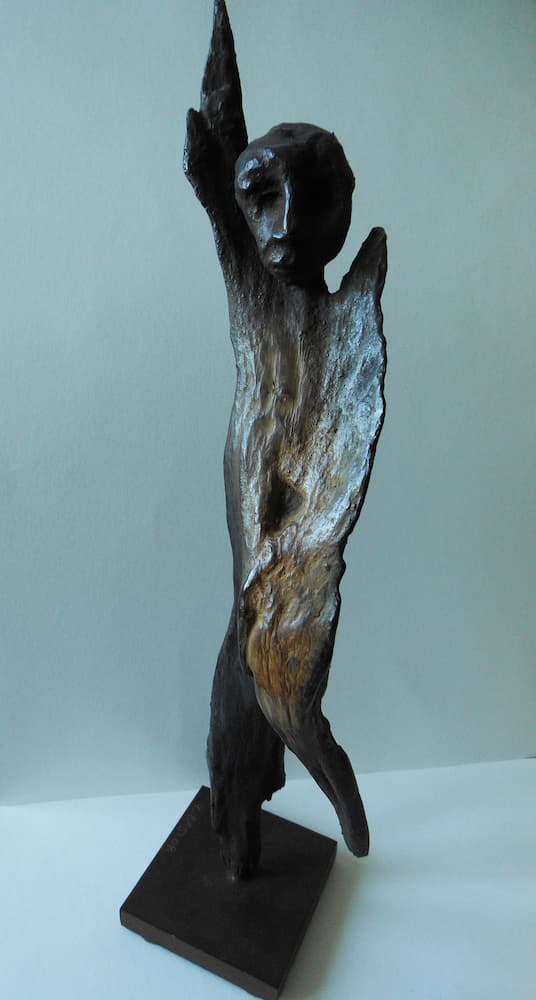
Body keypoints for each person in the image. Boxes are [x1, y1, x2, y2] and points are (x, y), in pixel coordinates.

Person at [185, 0, 387, 878]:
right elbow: (223, 169)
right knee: (246, 655)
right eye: (263, 199)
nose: (284, 226)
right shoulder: (248, 279)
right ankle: (245, 815)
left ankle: (298, 758)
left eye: (309, 201)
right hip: (252, 503)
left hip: (297, 529)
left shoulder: (346, 317)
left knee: (277, 663)